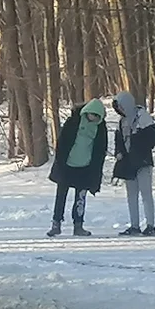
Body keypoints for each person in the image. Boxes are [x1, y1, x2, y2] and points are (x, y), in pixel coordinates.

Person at [47, 99, 108, 237]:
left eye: (97, 116)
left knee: (80, 198)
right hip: (67, 165)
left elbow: (100, 149)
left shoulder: (100, 127)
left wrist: (96, 170)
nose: (93, 118)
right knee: (61, 196)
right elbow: (62, 141)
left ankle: (78, 225)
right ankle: (56, 223)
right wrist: (60, 160)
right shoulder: (74, 121)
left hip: (85, 168)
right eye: (91, 114)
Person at [112, 90, 155, 236]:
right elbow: (118, 140)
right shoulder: (122, 122)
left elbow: (153, 137)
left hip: (143, 161)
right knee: (131, 195)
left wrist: (139, 146)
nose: (120, 110)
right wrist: (119, 152)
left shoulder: (142, 117)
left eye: (120, 106)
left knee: (146, 194)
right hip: (128, 163)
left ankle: (150, 225)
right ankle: (134, 225)